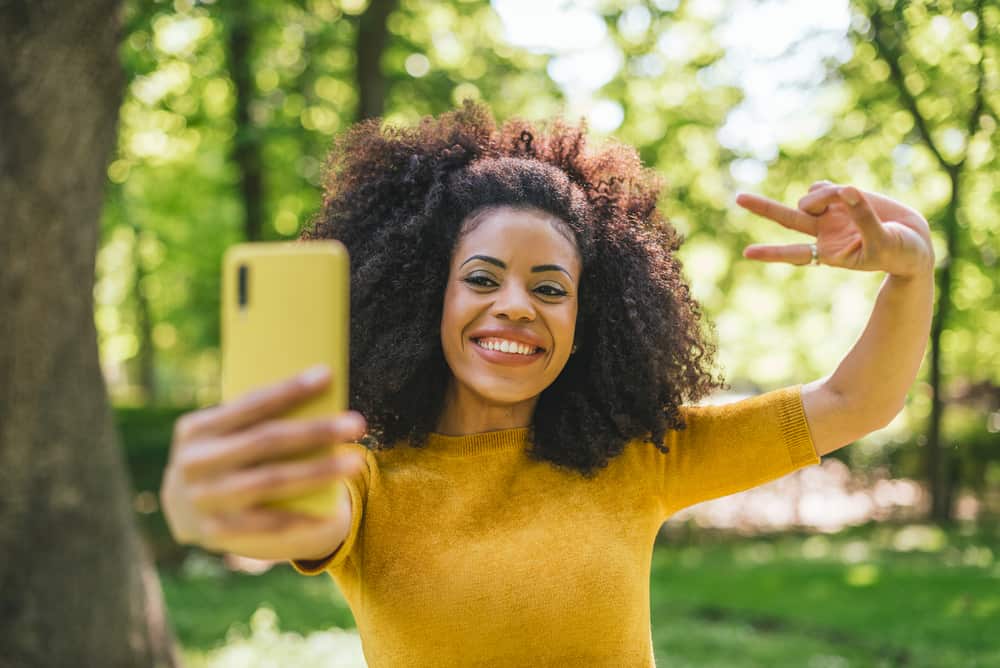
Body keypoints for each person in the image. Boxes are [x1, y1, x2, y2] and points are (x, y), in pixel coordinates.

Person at [160, 101, 934, 666]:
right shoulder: (370, 480)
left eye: (550, 288)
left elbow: (854, 403)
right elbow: (282, 518)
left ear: (587, 320)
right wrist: (209, 501)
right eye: (482, 279)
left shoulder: (642, 457)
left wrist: (911, 269)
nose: (515, 307)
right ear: (432, 298)